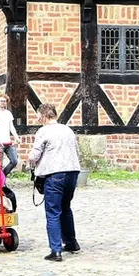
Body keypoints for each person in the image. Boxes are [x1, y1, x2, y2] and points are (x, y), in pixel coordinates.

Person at [28, 103, 83, 262]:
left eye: (39, 115)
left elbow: (34, 155)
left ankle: (56, 250)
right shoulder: (67, 129)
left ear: (44, 115)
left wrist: (30, 161)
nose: (38, 119)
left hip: (54, 174)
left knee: (53, 211)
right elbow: (76, 150)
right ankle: (71, 243)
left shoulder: (44, 131)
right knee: (65, 207)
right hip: (72, 172)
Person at [0, 94, 20, 176]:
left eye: (4, 101)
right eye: (1, 101)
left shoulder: (8, 113)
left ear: (7, 102)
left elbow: (11, 127)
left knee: (14, 161)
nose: (3, 103)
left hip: (8, 142)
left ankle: (2, 176)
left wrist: (16, 137)